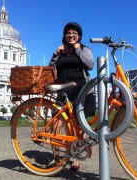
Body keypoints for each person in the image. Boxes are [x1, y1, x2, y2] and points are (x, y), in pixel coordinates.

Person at [49, 22, 96, 171]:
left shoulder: (84, 49)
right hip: (63, 90)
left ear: (79, 36)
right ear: (64, 36)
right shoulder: (61, 51)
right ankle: (56, 157)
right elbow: (50, 70)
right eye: (68, 33)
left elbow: (90, 65)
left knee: (79, 127)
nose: (71, 35)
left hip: (81, 89)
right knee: (56, 124)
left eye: (74, 33)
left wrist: (77, 50)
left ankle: (76, 158)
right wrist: (55, 54)